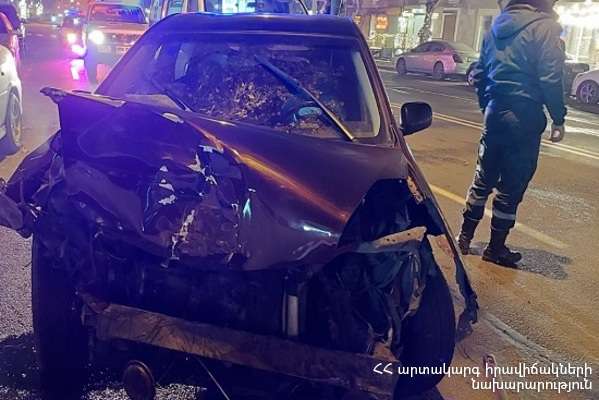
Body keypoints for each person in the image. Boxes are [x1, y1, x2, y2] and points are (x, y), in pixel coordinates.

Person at [457, 0, 567, 267]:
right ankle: (495, 249)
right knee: (512, 185)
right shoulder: (545, 27)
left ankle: (464, 237)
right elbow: (551, 77)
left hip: (495, 112)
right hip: (524, 115)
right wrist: (558, 118)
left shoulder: (495, 27)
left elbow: (480, 73)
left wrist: (488, 106)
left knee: (483, 178)